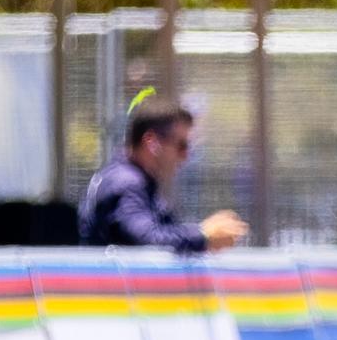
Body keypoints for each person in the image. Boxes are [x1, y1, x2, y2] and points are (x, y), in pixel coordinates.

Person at [80, 103, 247, 254]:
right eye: (181, 145)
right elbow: (148, 238)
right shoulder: (127, 183)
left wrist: (204, 232)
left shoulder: (133, 179)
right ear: (151, 142)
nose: (185, 156)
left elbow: (163, 230)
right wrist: (203, 235)